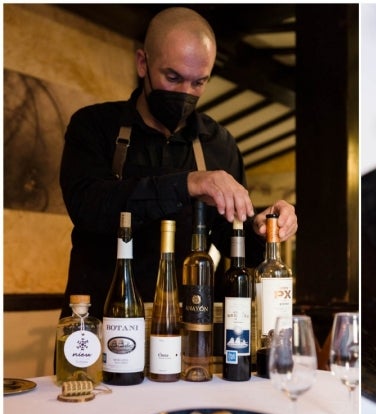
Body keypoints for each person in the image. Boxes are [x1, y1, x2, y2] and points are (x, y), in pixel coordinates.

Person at [59, 7, 298, 319]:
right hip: (96, 321)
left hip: (188, 328)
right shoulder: (94, 125)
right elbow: (88, 206)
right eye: (173, 78)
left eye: (198, 83)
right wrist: (189, 183)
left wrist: (261, 227)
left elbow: (231, 240)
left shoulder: (219, 143)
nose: (185, 92)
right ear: (143, 63)